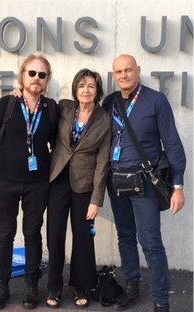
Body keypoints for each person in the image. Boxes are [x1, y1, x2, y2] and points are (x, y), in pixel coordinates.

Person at [102, 54, 186, 312]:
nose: (123, 75)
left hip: (144, 184)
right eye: (118, 72)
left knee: (151, 242)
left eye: (128, 70)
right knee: (125, 236)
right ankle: (131, 288)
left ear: (138, 71)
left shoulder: (155, 101)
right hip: (116, 182)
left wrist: (178, 186)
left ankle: (161, 300)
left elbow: (172, 143)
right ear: (114, 75)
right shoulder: (109, 102)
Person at [0, 54, 59, 310]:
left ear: (47, 79)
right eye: (32, 73)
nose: (36, 78)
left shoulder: (51, 108)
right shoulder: (6, 103)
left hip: (37, 184)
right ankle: (2, 285)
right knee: (5, 234)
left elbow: (57, 145)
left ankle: (31, 285)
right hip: (5, 183)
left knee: (32, 234)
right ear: (22, 75)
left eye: (42, 74)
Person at [46, 69, 111, 309]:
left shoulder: (104, 119)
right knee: (55, 236)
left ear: (97, 91)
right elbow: (39, 110)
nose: (86, 90)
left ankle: (81, 285)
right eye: (82, 85)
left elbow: (103, 161)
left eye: (91, 86)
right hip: (58, 179)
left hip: (84, 184)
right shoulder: (63, 108)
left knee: (83, 237)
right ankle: (54, 286)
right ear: (75, 88)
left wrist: (97, 199)